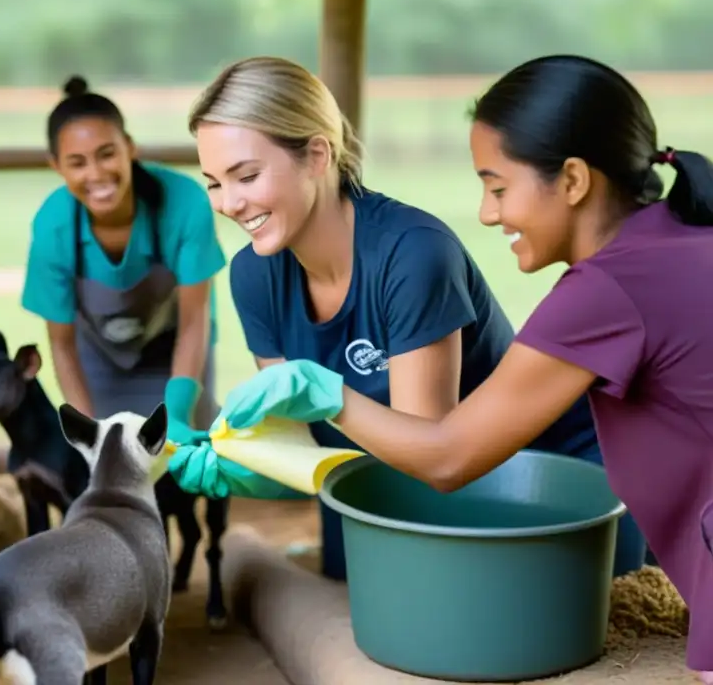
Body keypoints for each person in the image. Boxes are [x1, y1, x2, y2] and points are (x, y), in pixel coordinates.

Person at [179, 54, 713, 681]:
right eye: (214, 183)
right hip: (401, 493)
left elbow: (442, 458)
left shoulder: (571, 287)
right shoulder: (665, 248)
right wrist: (250, 464)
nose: (486, 214)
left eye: (498, 187)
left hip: (530, 495)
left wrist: (322, 392)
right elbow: (299, 442)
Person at [21, 76, 226, 445]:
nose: (97, 174)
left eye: (107, 154)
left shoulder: (184, 204)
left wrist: (178, 414)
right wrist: (87, 436)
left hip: (176, 347)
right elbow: (62, 345)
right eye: (77, 163)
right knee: (114, 460)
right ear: (56, 166)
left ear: (129, 147)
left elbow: (195, 320)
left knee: (185, 458)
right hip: (96, 357)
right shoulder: (52, 227)